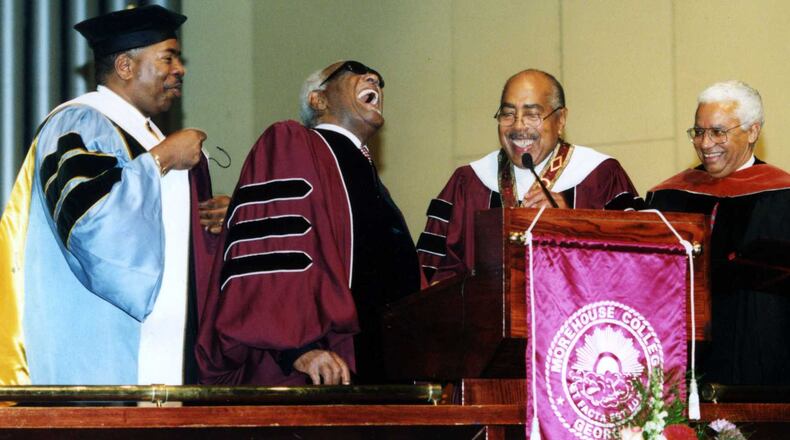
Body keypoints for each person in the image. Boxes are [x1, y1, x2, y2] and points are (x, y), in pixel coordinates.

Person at [0, 5, 228, 386]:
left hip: (150, 354)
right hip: (94, 353)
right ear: (125, 66)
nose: (180, 69)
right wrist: (161, 159)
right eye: (168, 57)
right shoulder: (80, 122)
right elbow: (93, 221)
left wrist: (207, 226)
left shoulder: (145, 134)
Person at [196, 61, 422, 386]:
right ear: (319, 100)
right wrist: (298, 349)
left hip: (380, 372)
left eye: (378, 78)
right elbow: (272, 256)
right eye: (355, 70)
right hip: (320, 367)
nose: (375, 79)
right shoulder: (291, 143)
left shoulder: (372, 181)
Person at [417, 69, 639, 283]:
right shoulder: (468, 183)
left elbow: (637, 266)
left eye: (532, 114)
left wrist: (572, 226)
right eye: (508, 114)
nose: (518, 126)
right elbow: (429, 275)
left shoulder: (601, 176)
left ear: (560, 120)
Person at [646, 80, 790, 385]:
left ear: (752, 131)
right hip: (685, 353)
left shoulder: (782, 196)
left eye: (718, 132)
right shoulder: (670, 196)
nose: (705, 144)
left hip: (761, 355)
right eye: (699, 132)